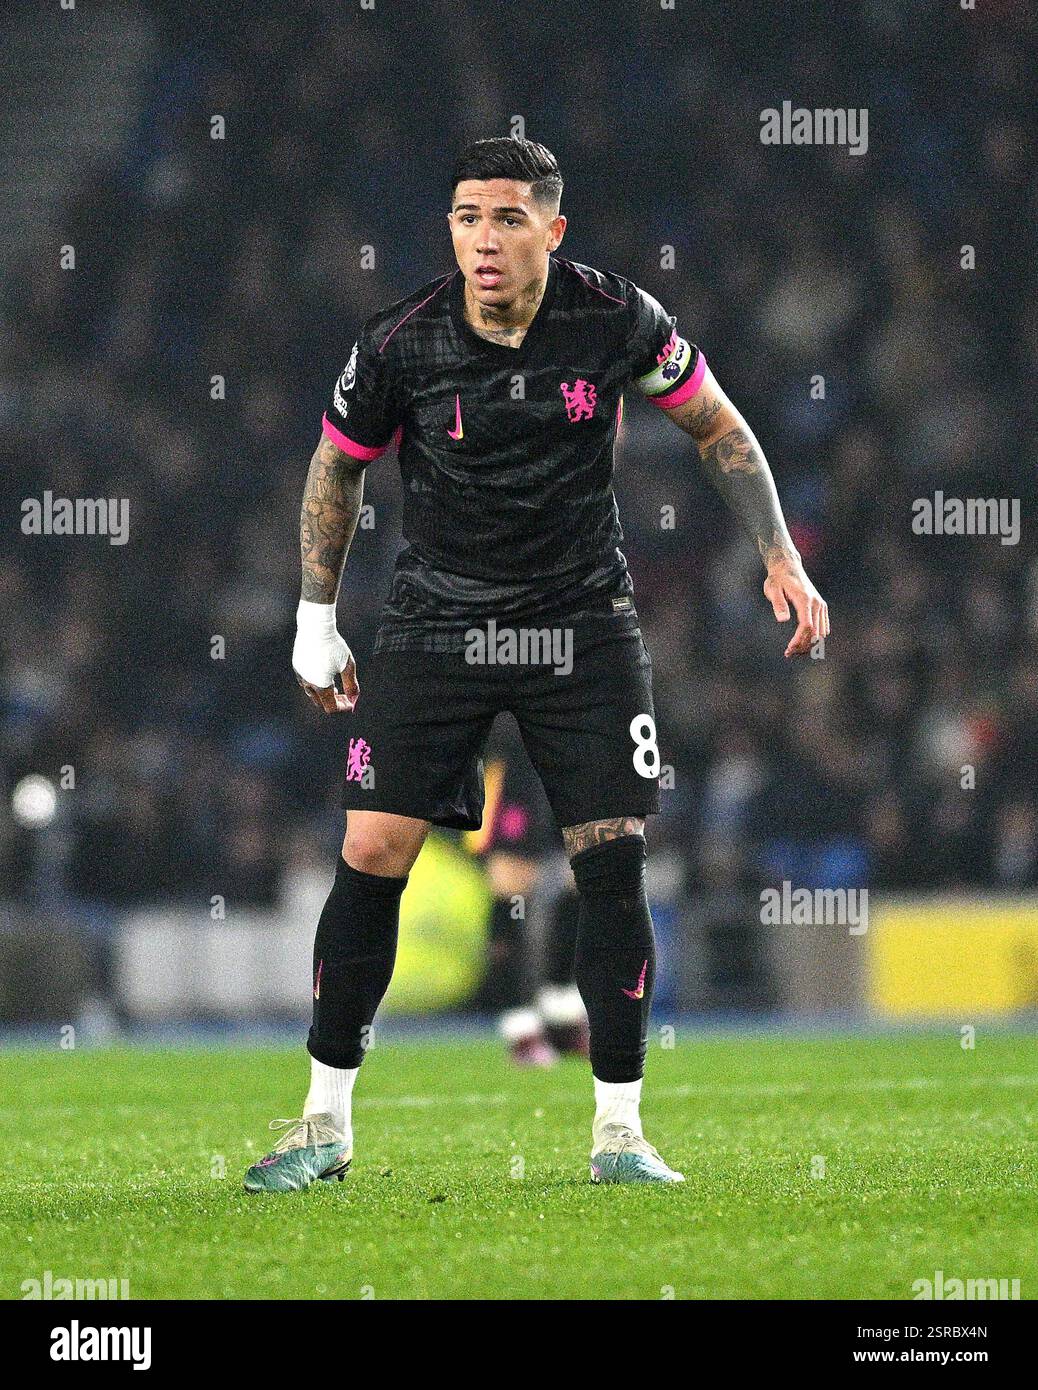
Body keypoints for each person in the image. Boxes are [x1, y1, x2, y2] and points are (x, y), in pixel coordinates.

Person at [244, 136, 828, 1192]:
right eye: (468, 217)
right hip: (436, 622)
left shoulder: (614, 319)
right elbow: (339, 466)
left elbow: (716, 424)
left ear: (552, 232)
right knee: (372, 848)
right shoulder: (399, 342)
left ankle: (620, 1133)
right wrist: (313, 615)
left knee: (611, 861)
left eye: (509, 218)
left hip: (582, 622)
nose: (485, 239)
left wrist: (779, 555)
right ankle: (322, 1120)